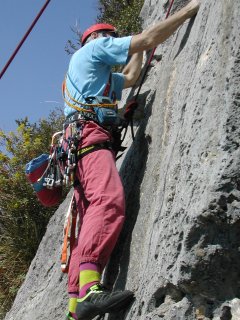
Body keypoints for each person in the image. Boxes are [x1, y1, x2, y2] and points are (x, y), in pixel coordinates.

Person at [63, 1, 200, 319]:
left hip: (79, 151)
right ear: (98, 39)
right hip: (91, 142)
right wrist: (188, 11)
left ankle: (73, 311)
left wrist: (137, 51)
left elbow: (133, 73)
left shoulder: (93, 77)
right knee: (108, 203)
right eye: (111, 38)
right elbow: (149, 39)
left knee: (88, 223)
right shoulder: (93, 51)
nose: (113, 43)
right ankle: (89, 292)